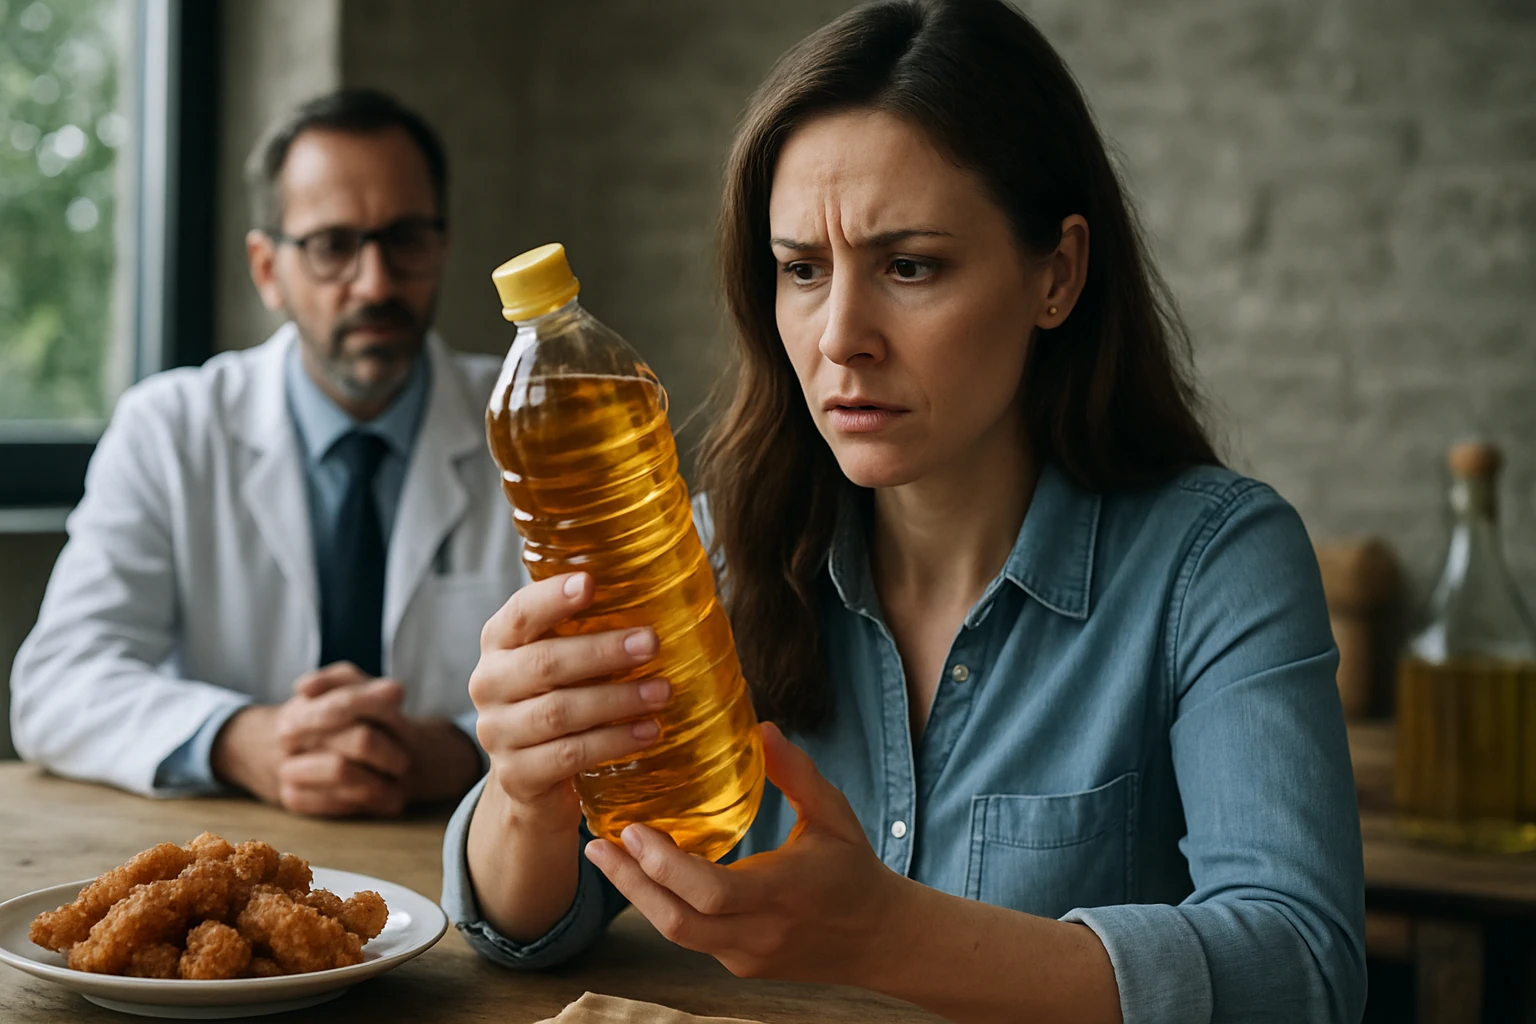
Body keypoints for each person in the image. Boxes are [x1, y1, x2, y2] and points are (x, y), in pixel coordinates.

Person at [442, 2, 1366, 1021]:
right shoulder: (712, 556)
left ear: (1055, 274)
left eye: (910, 266)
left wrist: (888, 934)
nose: (841, 337)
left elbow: (1302, 967)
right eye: (802, 269)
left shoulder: (1215, 560)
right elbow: (527, 930)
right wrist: (528, 788)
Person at [11, 89, 523, 817]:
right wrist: (240, 738)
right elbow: (56, 684)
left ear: (440, 246)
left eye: (405, 239)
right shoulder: (170, 428)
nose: (375, 284)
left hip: (473, 849)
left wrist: (459, 748)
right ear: (266, 268)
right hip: (236, 856)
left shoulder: (537, 427)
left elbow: (622, 679)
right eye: (332, 246)